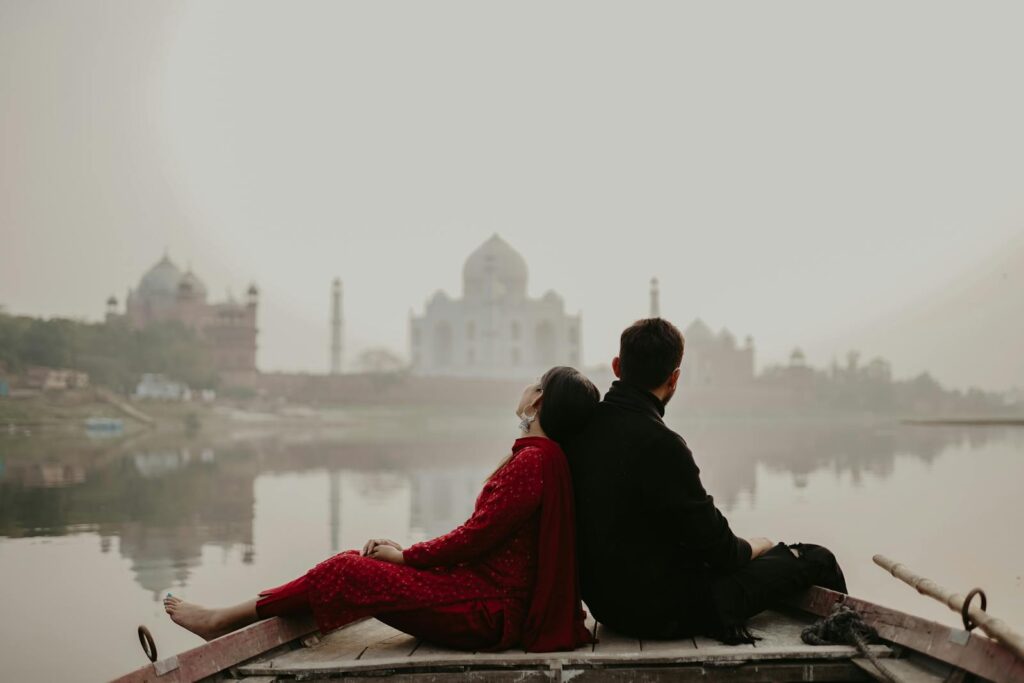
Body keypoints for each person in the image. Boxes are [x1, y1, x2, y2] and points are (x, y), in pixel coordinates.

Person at [164, 366, 599, 653]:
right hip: (482, 595)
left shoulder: (533, 462)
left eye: (535, 383)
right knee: (356, 562)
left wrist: (408, 557)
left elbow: (473, 537)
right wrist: (406, 555)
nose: (526, 387)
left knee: (349, 571)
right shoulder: (540, 457)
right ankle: (243, 616)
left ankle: (223, 620)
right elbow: (478, 539)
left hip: (490, 612)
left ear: (539, 400)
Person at [563, 318, 848, 644]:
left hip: (608, 609)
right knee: (816, 558)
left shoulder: (580, 431)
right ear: (674, 379)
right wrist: (763, 545)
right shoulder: (663, 445)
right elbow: (724, 553)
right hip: (667, 614)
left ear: (617, 367)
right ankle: (844, 634)